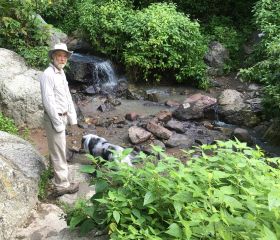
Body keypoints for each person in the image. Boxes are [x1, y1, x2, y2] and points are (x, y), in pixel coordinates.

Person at [40, 43, 79, 197]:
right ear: (53, 57)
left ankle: (55, 175)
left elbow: (67, 97)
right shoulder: (48, 74)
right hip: (54, 118)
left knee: (58, 149)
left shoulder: (61, 73)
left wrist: (72, 119)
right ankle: (62, 185)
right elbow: (48, 102)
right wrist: (58, 123)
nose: (62, 58)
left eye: (64, 56)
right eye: (59, 55)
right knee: (59, 151)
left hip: (62, 117)